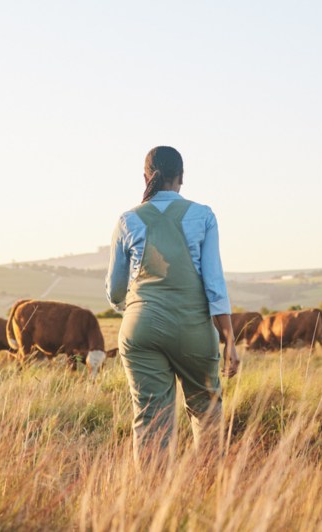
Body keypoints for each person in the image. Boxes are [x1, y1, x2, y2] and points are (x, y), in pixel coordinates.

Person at [106, 145, 240, 464]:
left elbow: (115, 290)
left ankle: (152, 493)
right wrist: (230, 340)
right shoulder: (203, 216)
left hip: (141, 329)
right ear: (181, 176)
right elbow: (214, 286)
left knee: (151, 420)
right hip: (193, 329)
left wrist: (135, 308)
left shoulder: (127, 220)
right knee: (206, 411)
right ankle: (208, 485)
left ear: (145, 178)